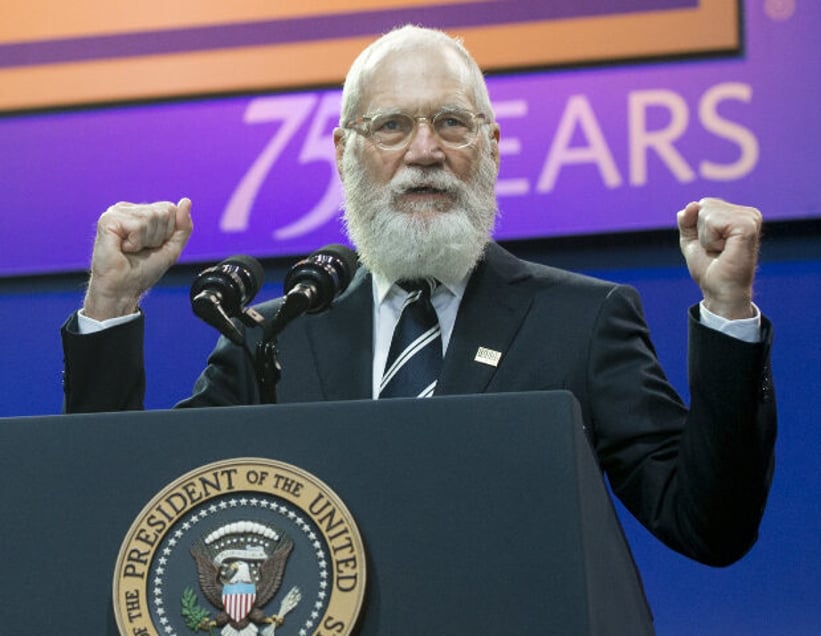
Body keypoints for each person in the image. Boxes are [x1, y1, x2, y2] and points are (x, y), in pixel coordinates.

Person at [62, 26, 775, 568]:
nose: (425, 151)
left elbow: (708, 525)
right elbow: (133, 510)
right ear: (345, 149)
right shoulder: (274, 337)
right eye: (393, 126)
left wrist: (728, 314)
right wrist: (111, 307)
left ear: (492, 146)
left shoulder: (581, 321)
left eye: (453, 123)